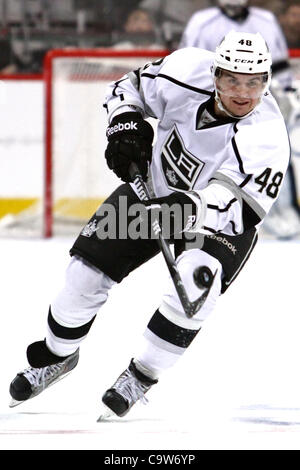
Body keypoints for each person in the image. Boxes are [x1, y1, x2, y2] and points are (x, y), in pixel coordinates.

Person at [9, 32, 290, 419]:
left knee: (198, 281)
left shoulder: (267, 136)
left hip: (214, 224)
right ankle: (55, 356)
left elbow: (240, 210)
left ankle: (141, 376)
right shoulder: (185, 69)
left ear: (267, 80)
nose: (243, 92)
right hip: (151, 192)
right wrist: (123, 121)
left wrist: (184, 210)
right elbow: (128, 87)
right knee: (83, 275)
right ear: (215, 73)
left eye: (254, 81)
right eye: (231, 80)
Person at [178, 0, 300, 239]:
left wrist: (286, 98)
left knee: (273, 159)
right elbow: (186, 67)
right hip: (215, 109)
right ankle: (203, 214)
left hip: (259, 111)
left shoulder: (266, 21)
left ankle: (284, 214)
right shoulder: (201, 23)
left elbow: (281, 67)